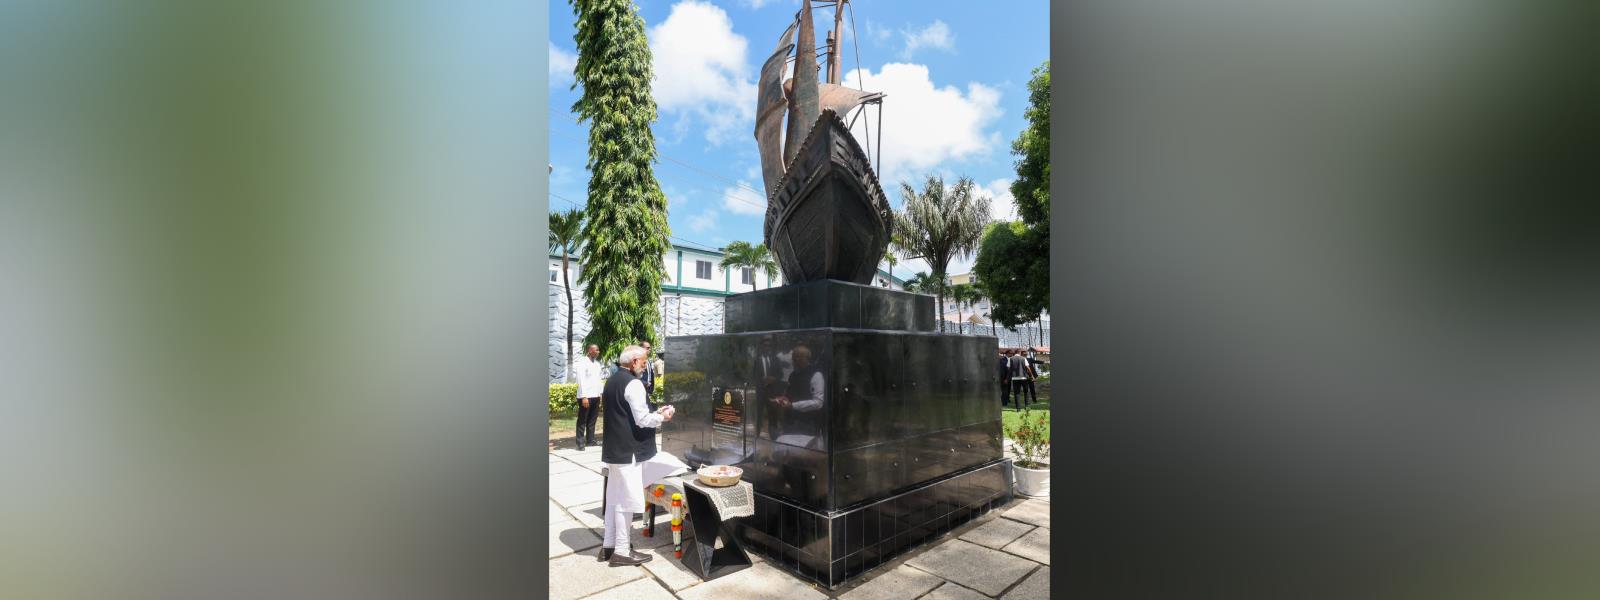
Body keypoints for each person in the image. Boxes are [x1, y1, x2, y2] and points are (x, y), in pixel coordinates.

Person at [597, 345, 679, 566]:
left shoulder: (612, 380)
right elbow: (642, 419)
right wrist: (663, 417)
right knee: (625, 500)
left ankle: (609, 545)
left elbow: (625, 415)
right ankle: (622, 551)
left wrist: (655, 413)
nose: (645, 364)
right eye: (643, 360)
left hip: (614, 450)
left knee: (613, 499)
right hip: (628, 452)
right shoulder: (633, 384)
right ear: (633, 361)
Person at [571, 344, 605, 450]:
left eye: (598, 350)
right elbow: (581, 380)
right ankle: (580, 442)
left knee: (592, 420)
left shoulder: (598, 364)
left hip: (595, 395)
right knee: (582, 419)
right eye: (596, 350)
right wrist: (584, 396)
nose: (598, 352)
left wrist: (600, 394)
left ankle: (590, 440)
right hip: (585, 396)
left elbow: (599, 380)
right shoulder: (582, 363)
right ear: (590, 351)